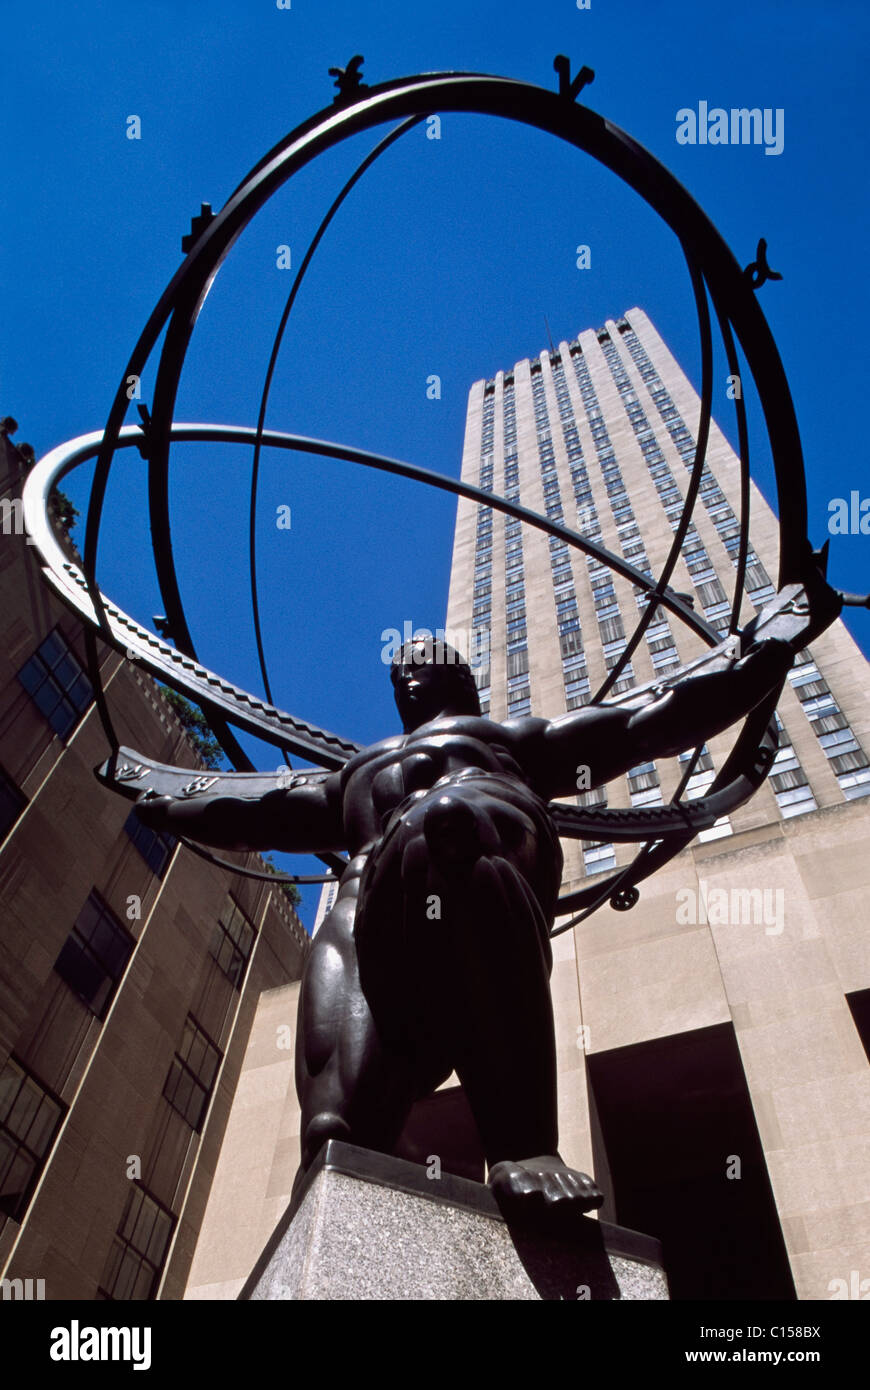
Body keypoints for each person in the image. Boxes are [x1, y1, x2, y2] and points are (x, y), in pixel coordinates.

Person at [136, 633, 792, 1214]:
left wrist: (766, 655)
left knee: (446, 827)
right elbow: (265, 814)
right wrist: (168, 805)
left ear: (460, 678)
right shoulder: (356, 776)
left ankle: (524, 1145)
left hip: (474, 856)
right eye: (399, 670)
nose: (406, 675)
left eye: (422, 662)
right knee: (333, 1136)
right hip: (370, 906)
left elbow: (644, 725)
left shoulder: (511, 741)